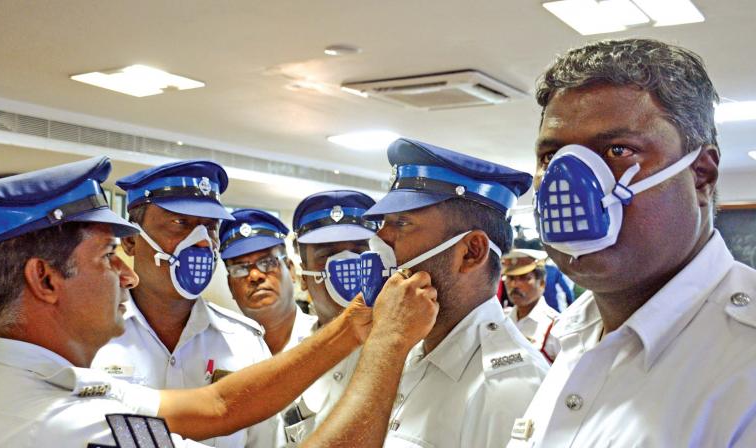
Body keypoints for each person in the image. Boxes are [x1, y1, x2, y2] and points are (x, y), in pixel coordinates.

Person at [0, 156, 437, 448]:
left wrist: (356, 325)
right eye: (107, 257)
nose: (125, 272)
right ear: (44, 280)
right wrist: (388, 345)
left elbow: (217, 406)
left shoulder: (60, 385)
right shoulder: (73, 425)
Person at [507, 38, 756, 447]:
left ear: (701, 175)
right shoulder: (577, 334)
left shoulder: (743, 369)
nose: (569, 186)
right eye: (553, 158)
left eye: (617, 150)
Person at [305, 138, 550, 448]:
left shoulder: (508, 389)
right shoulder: (408, 352)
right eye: (383, 224)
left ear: (471, 252)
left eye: (402, 223)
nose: (380, 240)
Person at [91, 161, 275, 447]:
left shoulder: (244, 344)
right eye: (181, 224)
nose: (201, 243)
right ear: (130, 241)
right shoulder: (88, 338)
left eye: (210, 228)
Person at [279, 190, 377, 445]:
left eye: (360, 250)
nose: (347, 263)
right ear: (304, 276)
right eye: (326, 254)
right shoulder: (292, 359)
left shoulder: (405, 350)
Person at [220, 209, 318, 356]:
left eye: (267, 262)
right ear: (230, 286)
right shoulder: (220, 350)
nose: (254, 275)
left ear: (291, 270)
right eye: (240, 268)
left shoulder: (327, 339)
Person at [501, 249, 559, 361]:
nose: (514, 285)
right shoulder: (502, 319)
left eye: (524, 278)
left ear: (541, 283)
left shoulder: (555, 326)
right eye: (510, 278)